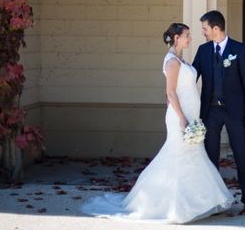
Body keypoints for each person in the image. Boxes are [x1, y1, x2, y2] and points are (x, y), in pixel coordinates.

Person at [81, 23, 233, 224]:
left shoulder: (181, 59)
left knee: (194, 156)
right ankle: (173, 205)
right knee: (177, 156)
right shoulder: (172, 62)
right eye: (187, 35)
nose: (190, 38)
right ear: (177, 37)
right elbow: (170, 92)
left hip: (191, 115)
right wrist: (182, 118)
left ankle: (199, 202)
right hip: (181, 116)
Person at [192, 10, 245, 215]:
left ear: (215, 28)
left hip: (235, 112)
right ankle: (213, 201)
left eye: (205, 28)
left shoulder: (238, 49)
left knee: (241, 156)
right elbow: (191, 76)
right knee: (211, 157)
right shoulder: (203, 51)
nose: (203, 32)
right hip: (210, 112)